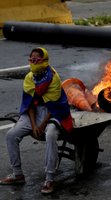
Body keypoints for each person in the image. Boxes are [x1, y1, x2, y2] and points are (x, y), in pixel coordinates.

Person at [0, 47, 73, 194]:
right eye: (31, 60)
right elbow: (29, 104)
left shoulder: (53, 78)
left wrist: (43, 124)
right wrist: (34, 125)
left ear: (44, 61)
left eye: (37, 60)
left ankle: (50, 178)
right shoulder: (29, 78)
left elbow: (54, 106)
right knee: (11, 135)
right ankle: (17, 174)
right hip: (34, 114)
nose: (34, 62)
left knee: (50, 135)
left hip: (53, 113)